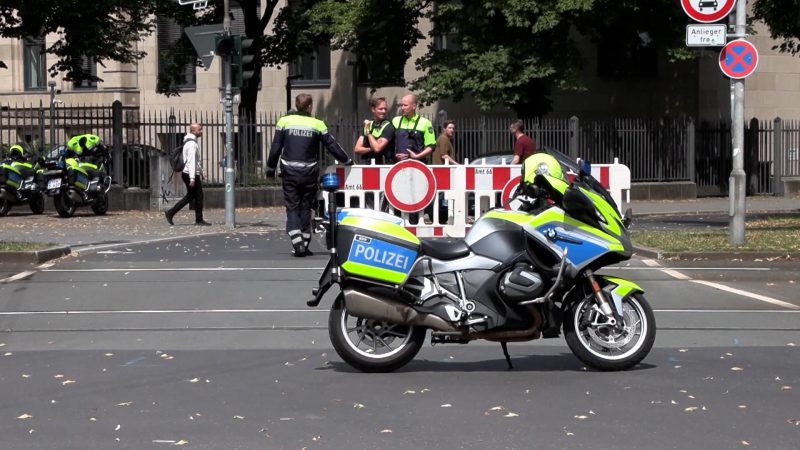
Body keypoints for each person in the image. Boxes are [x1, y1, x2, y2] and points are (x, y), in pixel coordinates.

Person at [267, 93, 353, 257]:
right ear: (309, 107)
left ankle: (297, 241)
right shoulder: (317, 124)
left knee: (292, 207)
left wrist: (270, 168)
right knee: (306, 206)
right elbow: (332, 146)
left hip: (289, 171)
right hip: (309, 172)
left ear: (296, 105)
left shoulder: (284, 122)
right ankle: (305, 242)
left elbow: (276, 147)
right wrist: (347, 161)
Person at [165, 123, 210, 226]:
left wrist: (201, 172)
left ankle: (170, 212)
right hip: (190, 173)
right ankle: (199, 220)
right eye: (200, 130)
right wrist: (193, 178)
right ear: (194, 131)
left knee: (191, 196)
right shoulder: (192, 144)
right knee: (199, 196)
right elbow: (191, 161)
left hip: (188, 173)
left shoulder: (189, 142)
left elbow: (195, 161)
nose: (201, 131)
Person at [391, 94, 436, 164]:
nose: (402, 108)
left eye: (405, 105)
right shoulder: (395, 121)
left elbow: (431, 146)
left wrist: (417, 156)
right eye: (401, 105)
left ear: (414, 106)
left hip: (418, 164)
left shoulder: (425, 123)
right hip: (398, 164)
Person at [353, 97, 395, 165]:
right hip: (367, 164)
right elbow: (357, 149)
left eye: (385, 109)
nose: (383, 111)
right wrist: (371, 148)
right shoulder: (369, 124)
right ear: (373, 109)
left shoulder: (389, 127)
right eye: (380, 109)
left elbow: (377, 149)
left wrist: (368, 132)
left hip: (383, 165)